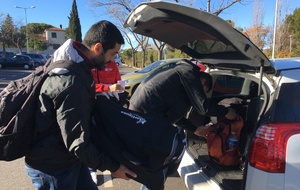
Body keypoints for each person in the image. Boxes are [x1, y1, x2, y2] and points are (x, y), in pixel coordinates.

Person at [25, 20, 136, 190]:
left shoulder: (75, 68)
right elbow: (77, 140)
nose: (113, 60)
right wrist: (114, 167)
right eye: (113, 54)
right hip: (53, 167)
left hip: (70, 158)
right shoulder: (72, 81)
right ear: (97, 48)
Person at [128, 58, 237, 190]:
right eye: (203, 90)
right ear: (201, 81)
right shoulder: (188, 72)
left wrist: (194, 129)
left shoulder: (180, 78)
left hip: (143, 118)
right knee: (157, 165)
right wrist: (226, 112)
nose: (200, 94)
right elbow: (203, 107)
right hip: (145, 120)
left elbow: (173, 115)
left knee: (155, 166)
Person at [89, 61, 125, 184]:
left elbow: (119, 81)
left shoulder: (113, 64)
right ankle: (91, 169)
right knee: (91, 137)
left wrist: (119, 88)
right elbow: (88, 86)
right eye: (112, 53)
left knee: (107, 135)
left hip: (109, 104)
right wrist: (107, 87)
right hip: (92, 105)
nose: (113, 58)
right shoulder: (89, 64)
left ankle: (110, 163)